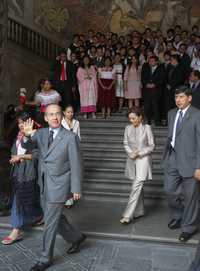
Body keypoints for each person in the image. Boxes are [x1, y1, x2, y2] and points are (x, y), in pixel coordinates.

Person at [23, 104, 86, 271]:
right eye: (51, 114)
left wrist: (76, 188)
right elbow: (29, 147)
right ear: (45, 118)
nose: (55, 117)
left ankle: (45, 258)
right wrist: (28, 136)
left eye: (58, 114)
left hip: (59, 185)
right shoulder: (42, 133)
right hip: (43, 183)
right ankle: (76, 237)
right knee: (55, 218)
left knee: (49, 222)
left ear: (62, 116)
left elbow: (77, 164)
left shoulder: (70, 137)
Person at [163, 85, 200, 243]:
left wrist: (199, 166)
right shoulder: (172, 113)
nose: (178, 100)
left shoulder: (197, 115)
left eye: (182, 97)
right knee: (169, 190)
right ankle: (178, 216)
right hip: (173, 160)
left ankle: (189, 227)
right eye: (176, 97)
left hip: (191, 163)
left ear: (189, 98)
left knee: (191, 197)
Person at [2, 112, 42, 245]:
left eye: (23, 122)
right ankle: (38, 215)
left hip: (29, 171)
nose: (20, 125)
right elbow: (15, 150)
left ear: (30, 122)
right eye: (19, 123)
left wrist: (21, 157)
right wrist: (15, 157)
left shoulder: (35, 135)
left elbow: (37, 155)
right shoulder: (18, 136)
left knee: (20, 198)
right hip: (18, 171)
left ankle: (16, 230)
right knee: (24, 197)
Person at [120, 107, 155, 224]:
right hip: (131, 161)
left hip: (143, 161)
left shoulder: (147, 128)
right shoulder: (127, 128)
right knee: (137, 188)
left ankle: (127, 215)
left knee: (136, 187)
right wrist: (131, 153)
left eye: (134, 118)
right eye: (130, 119)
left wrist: (139, 153)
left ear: (140, 117)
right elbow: (125, 143)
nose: (131, 121)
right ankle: (140, 211)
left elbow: (151, 146)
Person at [62, 105, 81, 208]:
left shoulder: (76, 123)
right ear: (64, 112)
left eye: (72, 112)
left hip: (74, 151)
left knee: (72, 174)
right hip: (63, 152)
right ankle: (65, 198)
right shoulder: (60, 123)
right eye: (68, 112)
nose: (70, 114)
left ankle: (70, 198)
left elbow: (78, 136)